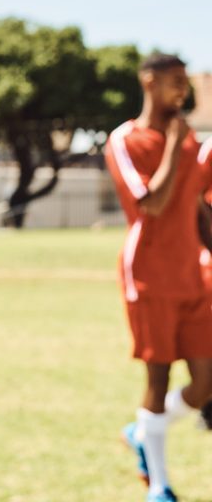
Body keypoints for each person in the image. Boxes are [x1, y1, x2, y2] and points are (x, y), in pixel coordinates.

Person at [105, 53, 212, 502]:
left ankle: (142, 431)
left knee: (207, 383)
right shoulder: (125, 139)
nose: (182, 91)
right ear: (148, 81)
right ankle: (162, 487)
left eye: (185, 83)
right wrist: (171, 144)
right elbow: (151, 204)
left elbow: (199, 209)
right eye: (174, 81)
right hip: (148, 276)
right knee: (158, 381)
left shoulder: (194, 144)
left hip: (193, 275)